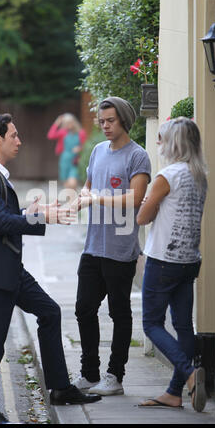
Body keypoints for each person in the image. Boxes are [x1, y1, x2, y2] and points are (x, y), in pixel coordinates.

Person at [0, 113, 101, 424]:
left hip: (10, 267)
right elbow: (0, 222)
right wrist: (42, 219)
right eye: (13, 135)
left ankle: (60, 389)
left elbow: (3, 215)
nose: (19, 140)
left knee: (49, 312)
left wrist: (35, 211)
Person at [71, 97, 151, 396]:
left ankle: (114, 376)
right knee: (83, 309)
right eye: (101, 121)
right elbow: (88, 186)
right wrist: (79, 201)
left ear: (124, 121)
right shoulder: (97, 151)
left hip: (120, 250)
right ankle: (89, 373)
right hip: (93, 246)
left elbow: (134, 198)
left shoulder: (138, 156)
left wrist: (97, 198)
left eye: (110, 121)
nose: (104, 126)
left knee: (119, 313)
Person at [136, 117, 208, 412]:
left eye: (162, 137)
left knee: (152, 324)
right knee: (182, 325)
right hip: (189, 260)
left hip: (163, 261)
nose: (158, 143)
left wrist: (145, 203)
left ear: (174, 142)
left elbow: (143, 217)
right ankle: (174, 393)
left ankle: (190, 374)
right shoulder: (200, 174)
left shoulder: (167, 176)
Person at [47, 113, 87, 190]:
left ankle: (74, 200)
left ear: (74, 122)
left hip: (75, 161)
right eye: (66, 123)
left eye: (70, 122)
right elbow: (50, 135)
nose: (68, 124)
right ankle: (71, 202)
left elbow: (85, 146)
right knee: (67, 186)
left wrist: (80, 148)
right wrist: (57, 122)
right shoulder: (63, 132)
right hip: (64, 160)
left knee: (73, 183)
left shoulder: (81, 133)